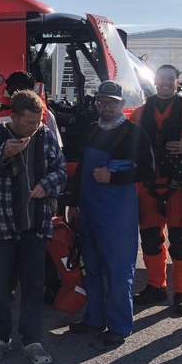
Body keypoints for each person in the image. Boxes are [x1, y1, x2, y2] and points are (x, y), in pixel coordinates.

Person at [0, 89, 66, 364]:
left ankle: (32, 340)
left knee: (34, 285)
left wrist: (46, 186)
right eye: (29, 122)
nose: (35, 127)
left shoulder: (46, 136)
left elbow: (61, 170)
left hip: (34, 223)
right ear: (13, 117)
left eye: (38, 121)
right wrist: (2, 156)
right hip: (0, 223)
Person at [67, 81, 154, 345]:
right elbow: (82, 170)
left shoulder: (134, 133)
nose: (106, 107)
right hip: (89, 208)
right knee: (91, 265)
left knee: (118, 269)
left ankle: (119, 325)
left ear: (121, 105)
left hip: (118, 213)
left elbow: (148, 171)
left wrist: (114, 176)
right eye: (102, 102)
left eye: (111, 103)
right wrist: (73, 203)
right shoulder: (92, 129)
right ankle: (94, 318)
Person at [129, 65, 182, 316]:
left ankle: (181, 292)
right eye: (161, 78)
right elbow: (129, 147)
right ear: (155, 81)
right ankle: (155, 286)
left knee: (179, 242)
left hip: (180, 186)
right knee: (150, 239)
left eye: (170, 79)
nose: (165, 83)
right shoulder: (140, 113)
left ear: (177, 82)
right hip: (148, 186)